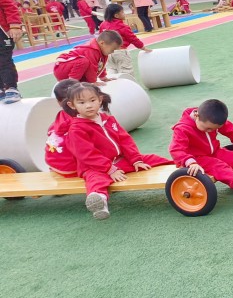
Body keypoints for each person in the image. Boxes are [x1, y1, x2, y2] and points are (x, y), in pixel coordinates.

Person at [63, 82, 173, 219]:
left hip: (119, 161)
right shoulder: (76, 129)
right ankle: (99, 201)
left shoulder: (108, 119)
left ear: (100, 99)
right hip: (94, 167)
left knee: (151, 158)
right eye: (82, 102)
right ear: (72, 105)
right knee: (96, 180)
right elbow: (87, 154)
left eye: (92, 100)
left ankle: (181, 167)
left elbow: (125, 140)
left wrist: (136, 159)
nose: (88, 105)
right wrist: (109, 168)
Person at [99, 4, 150, 76]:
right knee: (126, 72)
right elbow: (133, 38)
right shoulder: (122, 26)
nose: (124, 14)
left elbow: (100, 38)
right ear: (116, 15)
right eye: (122, 12)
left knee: (111, 71)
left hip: (107, 53)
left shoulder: (103, 25)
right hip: (120, 52)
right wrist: (143, 47)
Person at [44, 79, 82, 174]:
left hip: (53, 166)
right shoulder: (82, 121)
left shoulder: (59, 118)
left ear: (58, 102)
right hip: (73, 169)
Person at [53, 30, 122, 83]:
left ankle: (76, 82)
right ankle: (72, 83)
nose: (113, 52)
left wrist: (103, 77)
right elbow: (91, 68)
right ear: (102, 43)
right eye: (112, 49)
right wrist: (93, 82)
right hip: (62, 68)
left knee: (85, 63)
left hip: (72, 69)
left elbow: (101, 65)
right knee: (84, 61)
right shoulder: (91, 50)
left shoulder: (102, 52)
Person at [0, 0, 25, 104]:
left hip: (2, 31)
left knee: (4, 59)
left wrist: (14, 25)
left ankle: (11, 87)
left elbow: (9, 5)